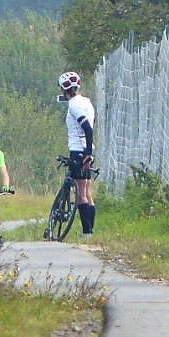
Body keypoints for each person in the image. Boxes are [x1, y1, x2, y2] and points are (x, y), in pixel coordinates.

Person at [58, 71, 96, 237]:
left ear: (63, 90)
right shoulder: (86, 101)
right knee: (88, 191)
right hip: (88, 148)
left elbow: (87, 127)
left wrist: (86, 153)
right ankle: (90, 231)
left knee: (81, 193)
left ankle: (87, 232)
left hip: (79, 150)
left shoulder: (73, 105)